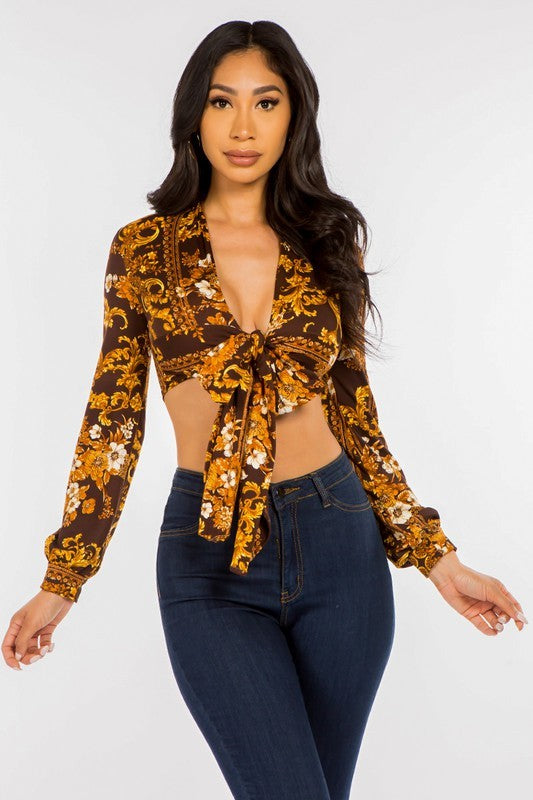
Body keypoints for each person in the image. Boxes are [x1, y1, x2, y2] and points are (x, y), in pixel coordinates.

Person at [3, 19, 527, 800]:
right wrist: (65, 576)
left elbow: (356, 418)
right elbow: (114, 417)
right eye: (222, 102)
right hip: (207, 553)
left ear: (294, 115)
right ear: (194, 115)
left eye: (266, 102)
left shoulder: (328, 241)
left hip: (340, 541)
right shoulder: (144, 249)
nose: (242, 127)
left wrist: (436, 558)